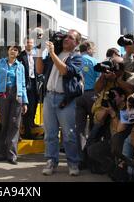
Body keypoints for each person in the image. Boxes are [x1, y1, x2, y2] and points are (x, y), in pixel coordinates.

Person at [37, 29, 84, 176]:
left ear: (76, 43)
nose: (66, 39)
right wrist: (39, 50)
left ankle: (73, 163)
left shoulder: (77, 57)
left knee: (69, 134)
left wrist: (52, 54)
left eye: (70, 37)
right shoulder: (55, 53)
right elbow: (39, 69)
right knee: (50, 134)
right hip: (49, 97)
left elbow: (65, 71)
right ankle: (51, 161)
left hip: (65, 100)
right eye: (65, 36)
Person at [0, 44, 28, 165]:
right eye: (11, 49)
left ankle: (12, 155)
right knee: (4, 123)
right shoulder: (0, 63)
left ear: (17, 53)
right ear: (8, 51)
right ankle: (1, 153)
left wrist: (25, 102)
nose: (13, 51)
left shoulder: (20, 66)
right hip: (3, 94)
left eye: (16, 50)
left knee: (15, 125)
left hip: (17, 95)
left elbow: (23, 84)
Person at [75, 41, 100, 166]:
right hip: (92, 95)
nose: (94, 50)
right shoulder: (93, 61)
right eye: (93, 48)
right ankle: (92, 157)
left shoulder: (75, 59)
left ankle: (80, 159)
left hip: (78, 96)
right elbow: (99, 78)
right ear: (89, 48)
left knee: (79, 128)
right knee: (94, 127)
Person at [18, 37, 41, 139]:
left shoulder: (36, 55)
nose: (30, 44)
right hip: (25, 82)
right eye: (28, 42)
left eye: (31, 42)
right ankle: (27, 131)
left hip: (34, 82)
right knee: (27, 106)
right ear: (24, 44)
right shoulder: (20, 56)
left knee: (35, 103)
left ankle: (31, 123)